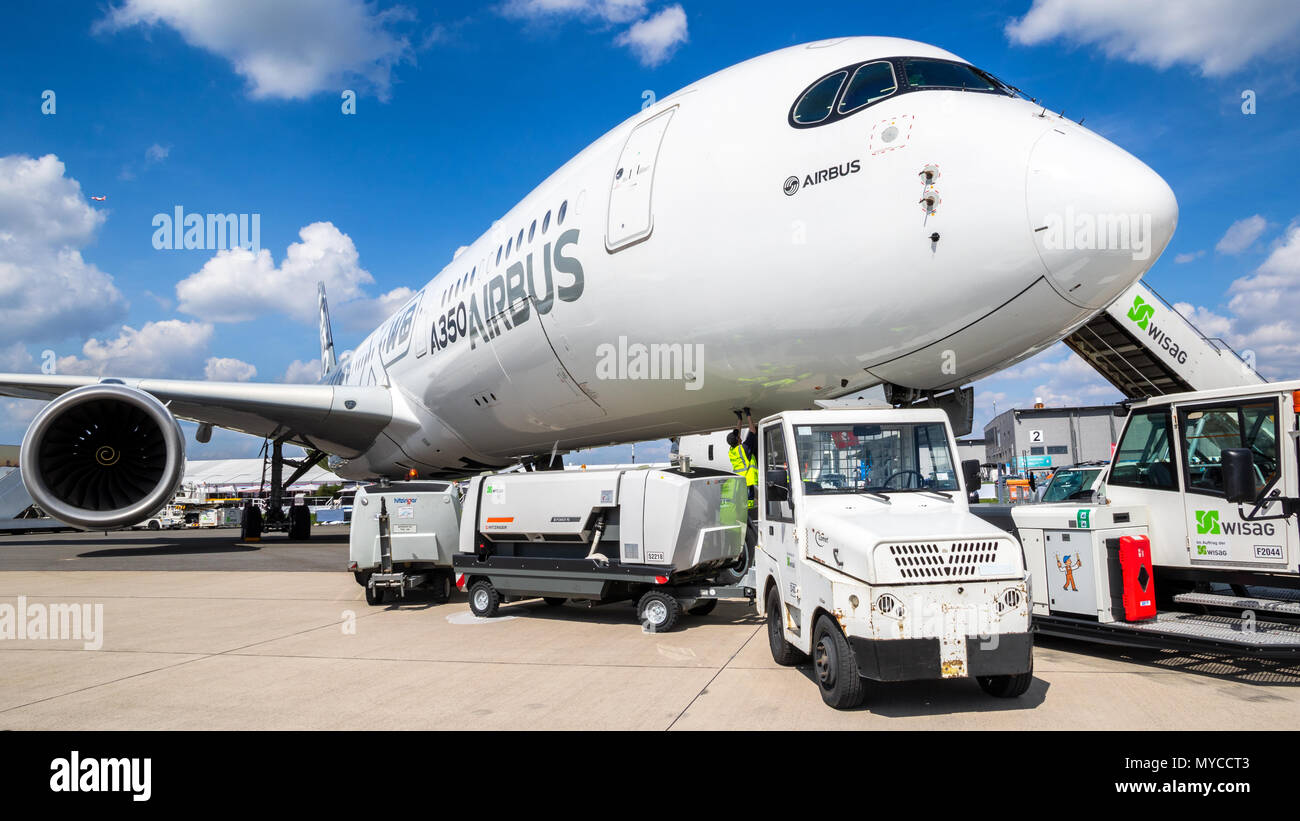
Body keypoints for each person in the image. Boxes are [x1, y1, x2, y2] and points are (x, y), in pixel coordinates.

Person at [727, 408, 759, 516]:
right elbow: (753, 431)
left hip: (740, 481)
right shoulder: (744, 449)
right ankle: (749, 518)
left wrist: (740, 419)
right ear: (738, 440)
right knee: (749, 505)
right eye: (738, 436)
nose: (739, 435)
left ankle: (744, 516)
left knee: (742, 503)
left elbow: (737, 434)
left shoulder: (732, 450)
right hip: (748, 481)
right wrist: (748, 415)